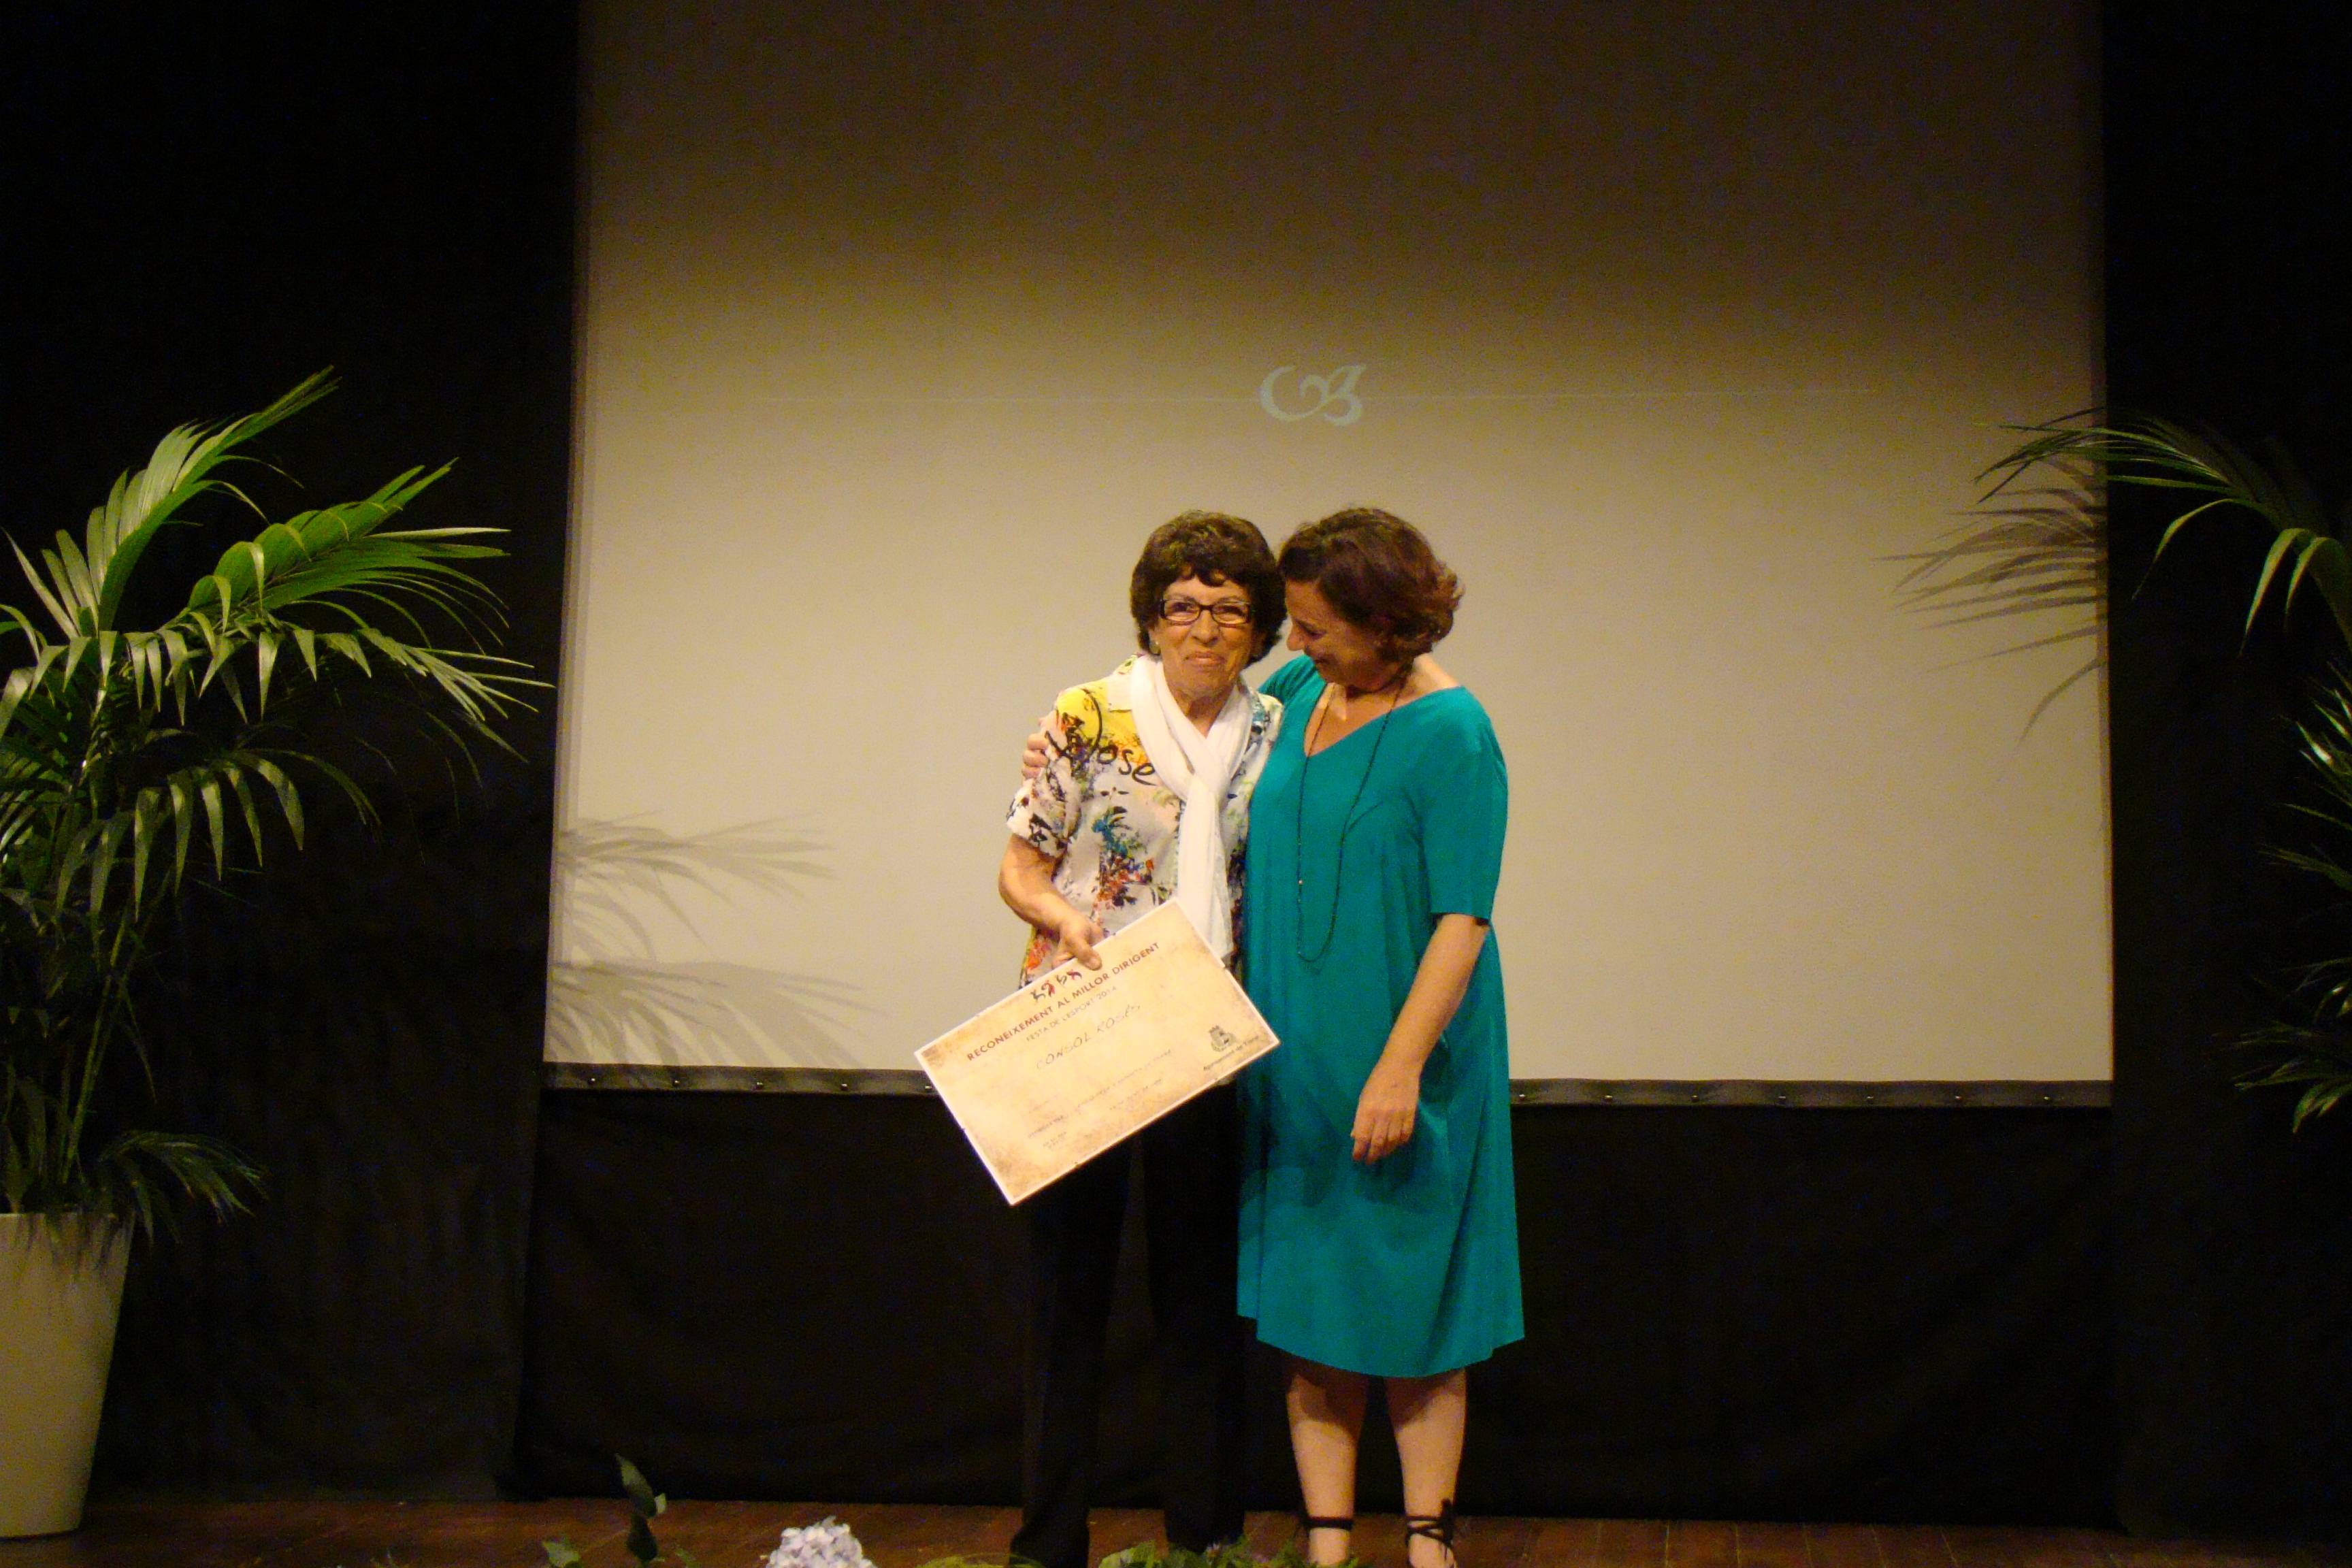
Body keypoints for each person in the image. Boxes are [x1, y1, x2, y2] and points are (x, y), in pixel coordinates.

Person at [996, 510, 1288, 1568]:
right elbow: (1020, 866)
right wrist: (1062, 920)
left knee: (1201, 1304)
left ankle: (1205, 1542)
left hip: (1207, 1037)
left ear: (1261, 628)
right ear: (1151, 616)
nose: (1203, 629)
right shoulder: (1087, 713)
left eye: (1229, 610)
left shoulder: (1279, 728)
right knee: (1066, 1304)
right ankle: (1048, 1543)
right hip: (1085, 1025)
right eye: (1182, 606)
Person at [1240, 508, 1521, 1568]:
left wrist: (1398, 1068)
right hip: (1293, 1046)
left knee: (1415, 1296)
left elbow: (1464, 917)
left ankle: (1425, 1538)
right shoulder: (1295, 690)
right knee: (1312, 1296)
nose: (1295, 643)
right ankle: (1327, 1540)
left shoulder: (1454, 732)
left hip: (1405, 1048)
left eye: (1316, 628)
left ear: (1386, 623)